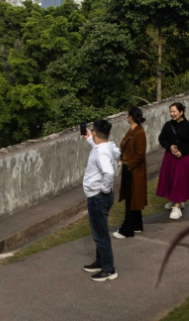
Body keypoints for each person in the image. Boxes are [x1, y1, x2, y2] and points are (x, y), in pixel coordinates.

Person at [82, 119, 121, 282]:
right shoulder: (108, 146)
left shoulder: (101, 152)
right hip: (99, 196)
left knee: (101, 234)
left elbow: (109, 173)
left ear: (96, 133)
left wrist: (104, 189)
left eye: (93, 132)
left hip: (98, 197)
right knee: (99, 231)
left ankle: (108, 269)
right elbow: (108, 150)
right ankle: (101, 261)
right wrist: (90, 138)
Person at [156, 102, 189, 220]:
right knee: (170, 178)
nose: (172, 114)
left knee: (179, 179)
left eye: (174, 111)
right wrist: (169, 146)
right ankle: (175, 199)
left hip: (184, 157)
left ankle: (177, 207)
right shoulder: (168, 125)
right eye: (171, 112)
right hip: (170, 156)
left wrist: (182, 152)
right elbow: (162, 139)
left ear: (181, 112)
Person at [113, 107, 147, 239]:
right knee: (132, 197)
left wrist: (130, 165)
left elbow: (140, 154)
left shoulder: (139, 132)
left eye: (128, 115)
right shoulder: (133, 131)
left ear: (131, 117)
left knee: (132, 198)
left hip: (133, 170)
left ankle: (127, 229)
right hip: (129, 168)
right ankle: (137, 225)